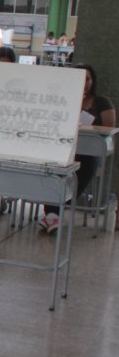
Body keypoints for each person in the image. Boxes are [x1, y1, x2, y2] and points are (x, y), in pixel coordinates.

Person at [39, 64, 115, 233]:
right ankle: (53, 215)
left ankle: (52, 214)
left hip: (90, 152)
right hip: (64, 150)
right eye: (80, 78)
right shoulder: (64, 99)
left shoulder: (101, 101)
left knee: (81, 166)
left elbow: (109, 129)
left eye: (87, 79)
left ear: (92, 81)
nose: (84, 83)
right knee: (53, 166)